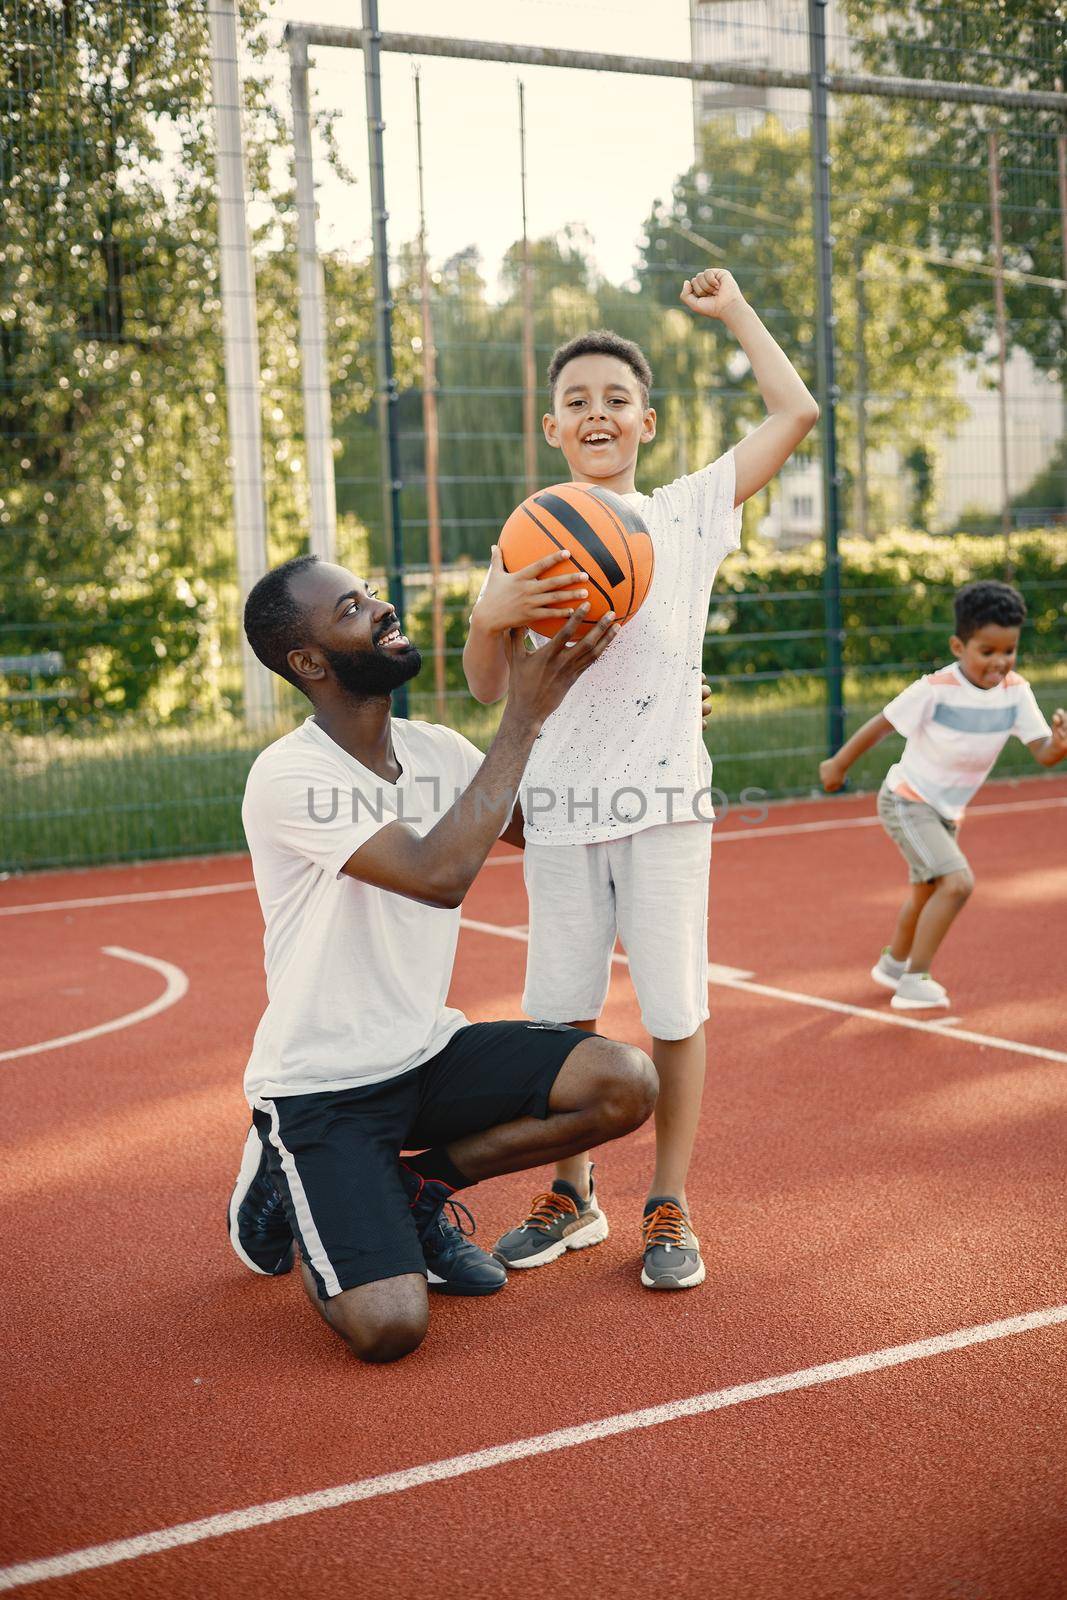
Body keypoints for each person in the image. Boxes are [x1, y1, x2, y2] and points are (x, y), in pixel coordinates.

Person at [462, 267, 819, 1290]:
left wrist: (734, 309)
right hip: (563, 812)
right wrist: (489, 611)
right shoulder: (525, 534)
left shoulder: (686, 513)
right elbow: (490, 688)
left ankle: (667, 1200)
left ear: (646, 422)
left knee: (670, 1012)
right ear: (550, 426)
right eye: (576, 400)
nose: (596, 412)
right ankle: (570, 1191)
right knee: (559, 1018)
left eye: (615, 398)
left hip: (663, 808)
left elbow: (793, 411)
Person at [226, 554, 658, 1363]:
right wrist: (521, 716)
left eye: (370, 592)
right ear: (310, 663)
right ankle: (283, 1163)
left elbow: (548, 828)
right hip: (323, 1088)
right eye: (351, 608)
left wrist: (648, 728)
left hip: (424, 1053)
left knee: (623, 1083)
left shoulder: (436, 749)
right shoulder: (289, 777)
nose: (382, 608)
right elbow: (437, 875)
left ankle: (416, 1187)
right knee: (389, 1329)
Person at [820, 579, 1066, 1010]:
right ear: (958, 645)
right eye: (986, 652)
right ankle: (915, 978)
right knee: (956, 883)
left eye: (1008, 651)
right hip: (907, 799)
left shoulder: (1016, 694)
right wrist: (838, 764)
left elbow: (1043, 752)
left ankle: (893, 964)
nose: (999, 662)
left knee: (926, 891)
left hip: (945, 813)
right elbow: (882, 723)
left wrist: (1059, 744)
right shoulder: (935, 688)